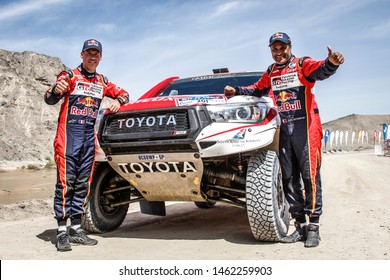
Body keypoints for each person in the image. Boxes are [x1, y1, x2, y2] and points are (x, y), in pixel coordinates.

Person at [224, 32, 344, 247]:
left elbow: (320, 70)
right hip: (284, 130)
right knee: (288, 178)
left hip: (305, 128)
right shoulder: (271, 71)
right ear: (270, 50)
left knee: (310, 176)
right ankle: (299, 226)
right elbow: (258, 88)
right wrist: (237, 91)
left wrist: (331, 64)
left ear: (290, 47)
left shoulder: (301, 63)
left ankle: (314, 226)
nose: (278, 53)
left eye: (282, 48)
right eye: (274, 49)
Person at [44, 39, 129, 251]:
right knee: (66, 183)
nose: (92, 57)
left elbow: (124, 93)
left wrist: (118, 102)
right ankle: (62, 231)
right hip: (68, 136)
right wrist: (55, 90)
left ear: (100, 58)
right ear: (82, 55)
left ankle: (76, 229)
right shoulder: (69, 76)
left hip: (89, 138)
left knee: (83, 184)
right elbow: (50, 98)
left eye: (96, 54)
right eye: (89, 53)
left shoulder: (102, 81)